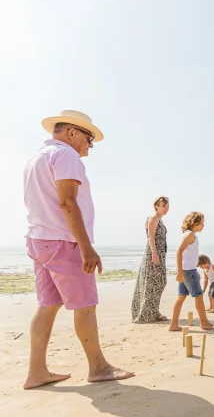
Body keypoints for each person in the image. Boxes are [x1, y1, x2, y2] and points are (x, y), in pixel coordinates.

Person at [22, 110, 134, 389]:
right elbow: (67, 202)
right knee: (84, 304)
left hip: (39, 239)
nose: (89, 146)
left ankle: (36, 372)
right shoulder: (65, 155)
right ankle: (98, 367)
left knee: (47, 306)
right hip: (63, 242)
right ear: (72, 132)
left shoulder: (34, 158)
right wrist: (87, 248)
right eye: (89, 138)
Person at [168, 212, 214, 331]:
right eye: (201, 223)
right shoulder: (190, 235)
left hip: (187, 270)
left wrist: (182, 271)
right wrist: (180, 272)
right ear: (193, 223)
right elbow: (179, 252)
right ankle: (204, 323)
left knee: (181, 297)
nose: (203, 225)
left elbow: (187, 255)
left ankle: (174, 325)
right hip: (188, 271)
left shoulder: (188, 234)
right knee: (199, 296)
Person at [131, 196, 170, 323]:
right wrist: (154, 253)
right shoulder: (153, 218)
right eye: (163, 206)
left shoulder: (159, 219)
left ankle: (154, 312)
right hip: (153, 254)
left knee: (159, 283)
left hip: (159, 254)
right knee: (151, 284)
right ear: (156, 206)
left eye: (167, 206)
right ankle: (147, 314)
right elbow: (150, 237)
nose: (166, 208)